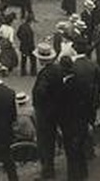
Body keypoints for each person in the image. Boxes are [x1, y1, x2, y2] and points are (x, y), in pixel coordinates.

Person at [58, 36, 100, 181]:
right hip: (88, 108)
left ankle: (75, 175)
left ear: (75, 49)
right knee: (83, 138)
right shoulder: (93, 65)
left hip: (71, 116)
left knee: (72, 149)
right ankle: (88, 157)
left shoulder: (72, 67)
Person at [32, 42, 62, 180]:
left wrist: (39, 101)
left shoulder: (45, 74)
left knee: (44, 142)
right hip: (56, 110)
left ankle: (47, 172)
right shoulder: (57, 69)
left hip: (45, 113)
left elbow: (41, 92)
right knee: (50, 141)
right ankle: (49, 169)